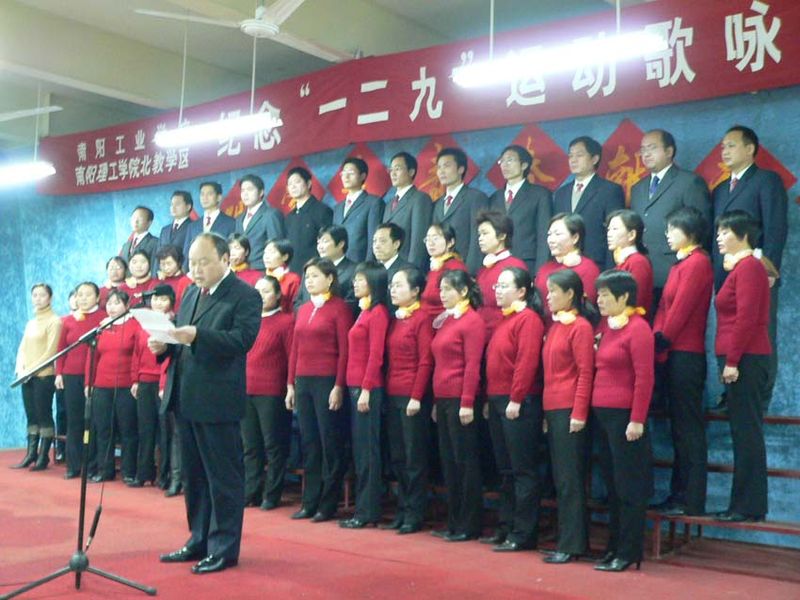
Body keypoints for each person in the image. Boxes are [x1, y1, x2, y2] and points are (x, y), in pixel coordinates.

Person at [155, 233, 261, 575]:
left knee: (223, 478)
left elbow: (241, 341)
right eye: (192, 263)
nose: (196, 269)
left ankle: (223, 548)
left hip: (217, 401)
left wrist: (199, 336)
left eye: (203, 262)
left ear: (225, 259)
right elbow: (181, 339)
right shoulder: (190, 292)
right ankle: (198, 539)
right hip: (185, 397)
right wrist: (165, 346)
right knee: (194, 476)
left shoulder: (244, 295)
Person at [712, 125, 787, 410]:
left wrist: (768, 270)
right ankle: (730, 392)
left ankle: (761, 396)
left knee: (759, 333)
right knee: (728, 331)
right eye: (723, 146)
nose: (725, 151)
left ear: (750, 148)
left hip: (757, 275)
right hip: (725, 275)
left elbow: (775, 228)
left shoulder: (766, 180)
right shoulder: (720, 189)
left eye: (731, 145)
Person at [652, 207, 713, 517]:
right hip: (672, 351)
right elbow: (664, 309)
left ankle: (691, 498)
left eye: (673, 229)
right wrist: (657, 338)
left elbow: (682, 309)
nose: (667, 234)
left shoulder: (698, 262)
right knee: (678, 428)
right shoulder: (680, 264)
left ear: (690, 231)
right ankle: (679, 494)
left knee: (688, 428)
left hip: (686, 354)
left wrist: (663, 338)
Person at [592, 270, 654, 572]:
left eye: (605, 295)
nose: (599, 300)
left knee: (628, 486)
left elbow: (645, 377)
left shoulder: (638, 329)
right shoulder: (608, 327)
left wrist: (637, 419)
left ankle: (629, 551)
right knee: (613, 485)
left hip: (625, 418)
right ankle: (614, 545)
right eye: (599, 294)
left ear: (624, 297)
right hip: (603, 415)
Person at [285, 257, 354, 523]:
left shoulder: (339, 308)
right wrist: (290, 384)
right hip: (303, 380)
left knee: (329, 442)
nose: (309, 281)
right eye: (308, 277)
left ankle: (328, 503)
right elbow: (295, 348)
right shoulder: (303, 309)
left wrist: (338, 385)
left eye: (315, 276)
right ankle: (309, 501)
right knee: (309, 443)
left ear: (330, 278)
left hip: (327, 380)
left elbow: (344, 351)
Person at [713, 210, 771, 522]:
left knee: (747, 432)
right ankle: (744, 504)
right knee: (742, 431)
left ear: (743, 235)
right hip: (739, 357)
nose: (719, 238)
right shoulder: (740, 267)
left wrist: (733, 361)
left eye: (725, 232)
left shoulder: (749, 267)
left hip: (746, 358)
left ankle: (747, 506)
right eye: (719, 232)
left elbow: (746, 318)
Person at [484, 267, 545, 552]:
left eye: (504, 286)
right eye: (496, 286)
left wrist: (516, 398)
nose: (498, 290)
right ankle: (506, 525)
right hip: (498, 399)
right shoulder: (504, 319)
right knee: (505, 469)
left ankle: (523, 533)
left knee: (522, 470)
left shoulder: (528, 319)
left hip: (518, 402)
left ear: (522, 291)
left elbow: (526, 361)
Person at [540, 269, 596, 564]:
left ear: (570, 294)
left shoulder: (580, 327)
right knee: (561, 478)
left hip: (570, 408)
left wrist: (579, 412)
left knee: (570, 479)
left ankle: (572, 544)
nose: (548, 297)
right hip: (554, 407)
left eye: (553, 291)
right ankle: (569, 539)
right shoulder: (555, 326)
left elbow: (585, 372)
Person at [430, 270, 486, 542]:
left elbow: (472, 365)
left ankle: (469, 523)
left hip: (460, 398)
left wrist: (467, 401)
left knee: (465, 461)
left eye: (447, 289)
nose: (442, 294)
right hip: (443, 398)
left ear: (463, 291)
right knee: (449, 461)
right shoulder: (447, 319)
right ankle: (453, 521)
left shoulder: (472, 321)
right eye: (440, 289)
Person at [630, 129, 710, 302]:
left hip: (675, 269)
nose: (646, 154)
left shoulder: (689, 182)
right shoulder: (637, 188)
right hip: (642, 272)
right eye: (643, 149)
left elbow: (702, 228)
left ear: (669, 151)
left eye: (652, 148)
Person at [339, 262, 390, 529]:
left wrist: (367, 389)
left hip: (366, 389)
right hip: (354, 387)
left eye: (360, 280)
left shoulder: (378, 313)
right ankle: (362, 508)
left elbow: (376, 355)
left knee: (367, 451)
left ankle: (367, 510)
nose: (355, 283)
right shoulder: (364, 311)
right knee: (360, 451)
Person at [385, 267, 434, 534]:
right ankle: (402, 507)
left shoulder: (422, 319)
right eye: (392, 285)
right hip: (393, 393)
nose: (393, 289)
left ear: (415, 291)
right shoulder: (396, 318)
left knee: (414, 457)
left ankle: (415, 512)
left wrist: (416, 396)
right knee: (398, 456)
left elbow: (426, 361)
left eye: (399, 285)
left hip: (412, 396)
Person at [243, 276, 294, 510]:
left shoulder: (286, 322)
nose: (260, 295)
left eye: (266, 291)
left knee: (274, 446)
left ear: (277, 295)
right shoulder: (248, 319)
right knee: (250, 446)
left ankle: (272, 494)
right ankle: (251, 492)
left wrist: (290, 386)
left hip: (272, 392)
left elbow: (292, 357)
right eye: (257, 291)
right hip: (246, 389)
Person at [85, 289, 140, 483]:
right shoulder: (101, 327)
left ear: (127, 305)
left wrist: (136, 380)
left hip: (126, 385)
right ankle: (105, 470)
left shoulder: (135, 325)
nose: (112, 307)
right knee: (103, 430)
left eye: (117, 303)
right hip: (101, 385)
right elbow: (92, 357)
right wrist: (89, 382)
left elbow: (138, 355)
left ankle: (128, 471)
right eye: (109, 303)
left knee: (128, 430)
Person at [55, 282, 106, 479]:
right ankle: (73, 465)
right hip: (71, 375)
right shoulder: (68, 320)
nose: (83, 298)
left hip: (95, 376)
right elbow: (61, 349)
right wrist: (59, 373)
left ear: (97, 297)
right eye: (80, 295)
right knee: (74, 421)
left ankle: (92, 466)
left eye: (88, 294)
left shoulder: (103, 319)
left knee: (93, 422)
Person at [553, 136, 625, 269]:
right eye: (570, 156)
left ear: (594, 159)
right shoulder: (561, 193)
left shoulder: (610, 190)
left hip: (596, 263)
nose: (573, 160)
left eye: (579, 155)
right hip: (564, 264)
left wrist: (610, 270)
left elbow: (615, 233)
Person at [12, 283, 62, 471]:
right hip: (27, 377)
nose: (38, 298)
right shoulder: (31, 323)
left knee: (43, 414)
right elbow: (23, 348)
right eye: (35, 295)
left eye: (42, 295)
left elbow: (51, 352)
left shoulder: (55, 321)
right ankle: (31, 454)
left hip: (43, 376)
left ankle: (43, 457)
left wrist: (31, 370)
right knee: (31, 415)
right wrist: (21, 369)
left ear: (50, 298)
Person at [129, 285, 175, 487]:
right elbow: (136, 354)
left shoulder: (173, 324)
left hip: (164, 383)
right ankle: (143, 473)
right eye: (155, 299)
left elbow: (170, 357)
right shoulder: (143, 325)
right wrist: (135, 380)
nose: (158, 303)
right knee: (145, 429)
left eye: (163, 299)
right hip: (145, 381)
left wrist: (164, 383)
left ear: (171, 302)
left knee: (165, 431)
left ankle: (164, 476)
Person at [488, 145, 552, 272]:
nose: (505, 165)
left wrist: (540, 271)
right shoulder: (495, 197)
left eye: (510, 160)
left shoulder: (540, 194)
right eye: (502, 161)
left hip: (526, 262)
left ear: (524, 165)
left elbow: (543, 233)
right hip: (497, 262)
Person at [431, 147, 488, 274]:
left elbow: (476, 238)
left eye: (446, 166)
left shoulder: (475, 197)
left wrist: (470, 272)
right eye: (439, 167)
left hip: (464, 270)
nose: (441, 171)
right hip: (440, 270)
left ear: (461, 169)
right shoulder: (437, 204)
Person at [475, 210, 528, 337]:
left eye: (485, 233)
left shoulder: (515, 266)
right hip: (481, 334)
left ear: (502, 235)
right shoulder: (483, 269)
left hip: (502, 334)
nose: (480, 238)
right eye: (479, 234)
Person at [535, 213, 600, 316]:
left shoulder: (587, 268)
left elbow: (584, 308)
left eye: (557, 234)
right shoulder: (545, 268)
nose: (551, 240)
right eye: (549, 234)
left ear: (575, 237)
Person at [382, 152, 434, 270]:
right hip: (389, 267)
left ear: (411, 172)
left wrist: (412, 270)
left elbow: (418, 239)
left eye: (397, 169)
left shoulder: (420, 198)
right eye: (391, 170)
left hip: (407, 268)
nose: (393, 173)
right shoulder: (389, 204)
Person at [294, 225, 357, 314]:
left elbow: (350, 305)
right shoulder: (311, 269)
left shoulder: (354, 271)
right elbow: (298, 301)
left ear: (340, 244)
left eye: (325, 241)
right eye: (318, 242)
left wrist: (321, 316)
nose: (320, 246)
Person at [332, 157, 385, 263]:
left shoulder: (373, 202)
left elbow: (373, 237)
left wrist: (369, 265)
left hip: (360, 263)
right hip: (339, 265)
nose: (346, 176)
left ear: (362, 176)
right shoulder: (338, 207)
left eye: (351, 173)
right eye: (343, 173)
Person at [285, 166, 333, 273]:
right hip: (293, 272)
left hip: (316, 271)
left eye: (297, 182)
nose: (293, 186)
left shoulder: (322, 210)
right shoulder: (289, 217)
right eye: (289, 184)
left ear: (309, 183)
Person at [606, 209, 654, 316]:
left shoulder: (638, 262)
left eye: (614, 229)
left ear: (632, 234)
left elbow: (636, 302)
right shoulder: (622, 261)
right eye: (608, 229)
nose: (609, 234)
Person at [235, 174, 286, 270]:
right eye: (242, 190)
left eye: (249, 189)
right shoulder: (239, 219)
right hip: (242, 270)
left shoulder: (271, 214)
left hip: (263, 270)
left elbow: (277, 246)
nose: (245, 194)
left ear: (261, 192)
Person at [183, 181, 236, 270]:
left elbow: (232, 250)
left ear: (219, 197)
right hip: (196, 272)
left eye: (209, 194)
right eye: (202, 194)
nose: (205, 198)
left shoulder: (231, 223)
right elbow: (186, 253)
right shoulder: (192, 226)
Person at [420, 222, 467, 319]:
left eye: (435, 238)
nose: (430, 243)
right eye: (428, 239)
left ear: (450, 242)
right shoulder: (435, 265)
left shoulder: (455, 267)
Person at [372, 223, 413, 304]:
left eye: (382, 241)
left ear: (396, 244)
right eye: (374, 241)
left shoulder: (407, 271)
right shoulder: (371, 269)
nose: (376, 246)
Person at [263, 238, 301, 313]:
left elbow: (294, 308)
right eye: (265, 252)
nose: (266, 256)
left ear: (285, 257)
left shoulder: (293, 279)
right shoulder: (261, 278)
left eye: (272, 252)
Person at [120, 206, 159, 275]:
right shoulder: (125, 246)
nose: (136, 221)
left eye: (140, 218)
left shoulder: (156, 243)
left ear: (149, 223)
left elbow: (155, 269)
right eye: (133, 218)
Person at [156, 245, 192, 313]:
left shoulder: (185, 282)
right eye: (162, 264)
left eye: (169, 264)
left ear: (178, 263)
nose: (166, 268)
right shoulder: (158, 281)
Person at [158, 190, 194, 256]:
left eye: (177, 204)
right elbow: (158, 254)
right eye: (172, 204)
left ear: (188, 207)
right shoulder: (164, 230)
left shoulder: (194, 227)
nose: (173, 207)